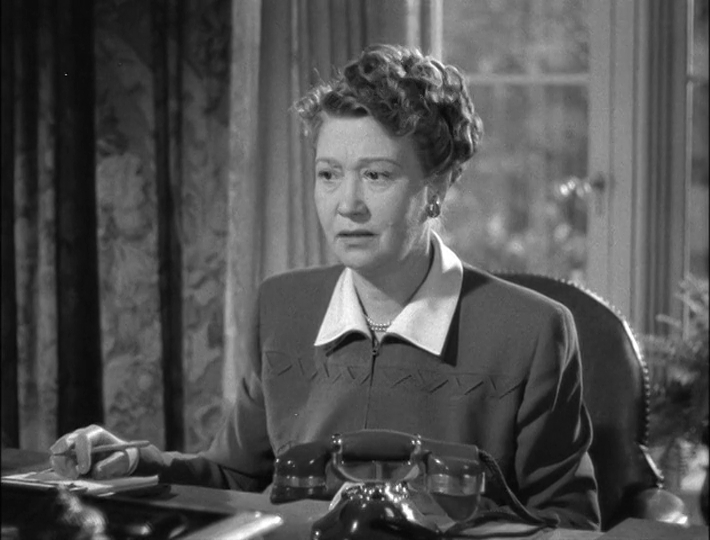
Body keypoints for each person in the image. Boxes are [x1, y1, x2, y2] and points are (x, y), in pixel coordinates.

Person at [51, 44, 600, 530]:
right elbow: (236, 478)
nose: (347, 205)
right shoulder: (282, 305)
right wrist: (135, 462)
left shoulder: (533, 331)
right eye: (329, 174)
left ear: (437, 186)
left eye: (377, 175)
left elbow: (570, 524)